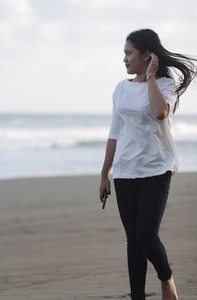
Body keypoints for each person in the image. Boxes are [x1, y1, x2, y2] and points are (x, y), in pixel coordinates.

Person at [99, 28, 197, 300]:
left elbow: (159, 112)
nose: (124, 59)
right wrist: (105, 172)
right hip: (125, 171)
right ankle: (137, 296)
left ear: (147, 56)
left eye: (129, 53)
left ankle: (166, 277)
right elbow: (114, 131)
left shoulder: (165, 86)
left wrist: (152, 76)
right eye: (124, 54)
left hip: (156, 169)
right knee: (133, 240)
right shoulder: (121, 88)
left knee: (146, 236)